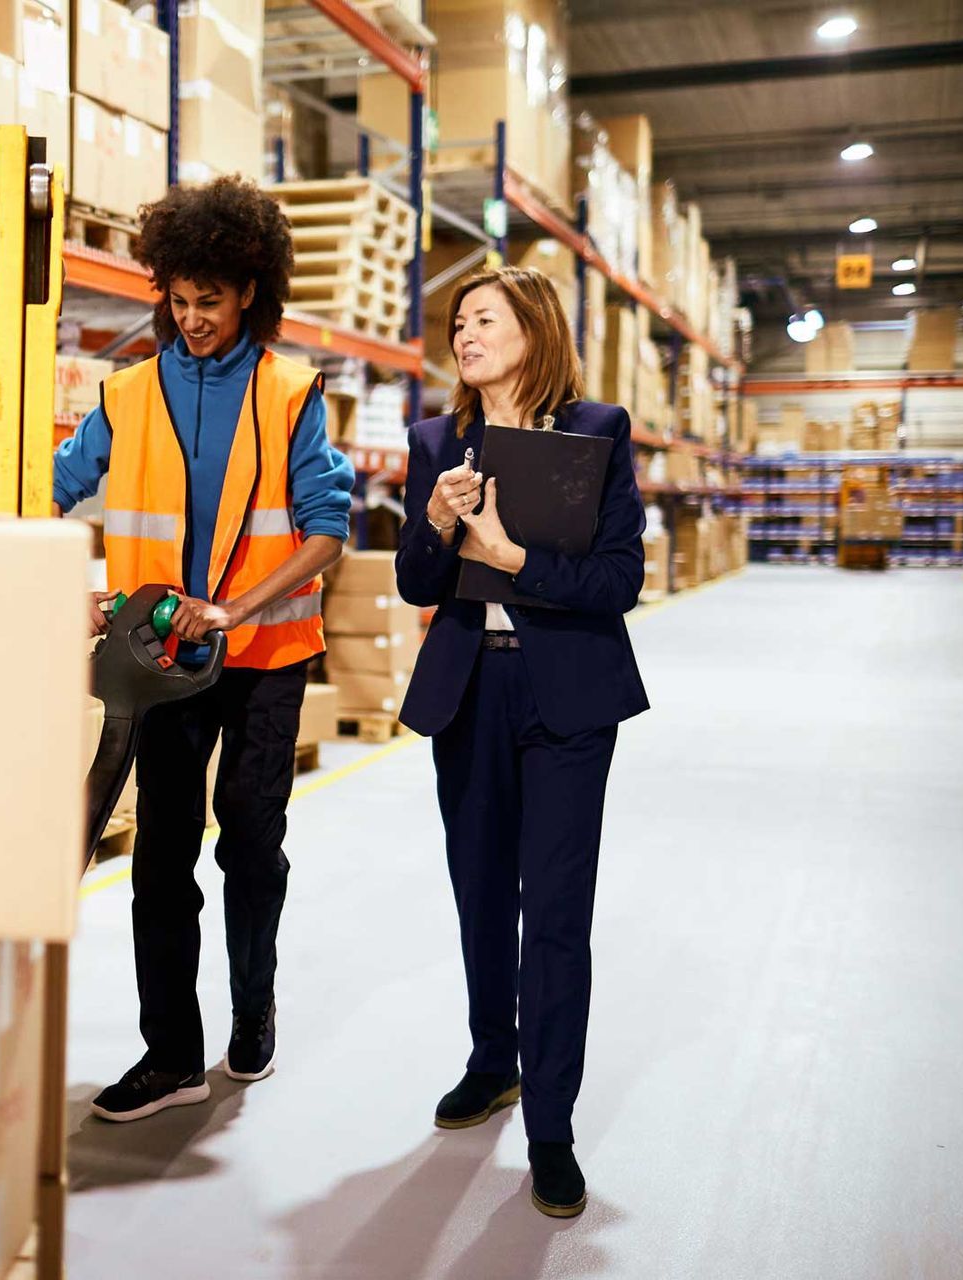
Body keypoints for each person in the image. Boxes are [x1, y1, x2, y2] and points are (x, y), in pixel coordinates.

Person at [53, 177, 356, 1122]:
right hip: (161, 662)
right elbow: (51, 488)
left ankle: (252, 1009)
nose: (192, 320)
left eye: (211, 302)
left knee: (251, 844)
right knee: (160, 858)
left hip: (265, 657)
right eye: (179, 301)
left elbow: (326, 530)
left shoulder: (291, 391)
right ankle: (172, 1053)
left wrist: (235, 608)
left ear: (251, 294)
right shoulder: (126, 393)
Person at [395, 266, 649, 1218]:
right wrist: (434, 523)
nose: (464, 335)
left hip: (566, 703)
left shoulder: (596, 433)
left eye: (484, 320)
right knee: (479, 894)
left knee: (554, 913)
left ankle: (551, 1127)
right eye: (457, 323)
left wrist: (513, 561)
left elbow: (619, 579)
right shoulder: (435, 441)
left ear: (534, 330)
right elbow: (421, 585)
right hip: (471, 692)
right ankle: (490, 1061)